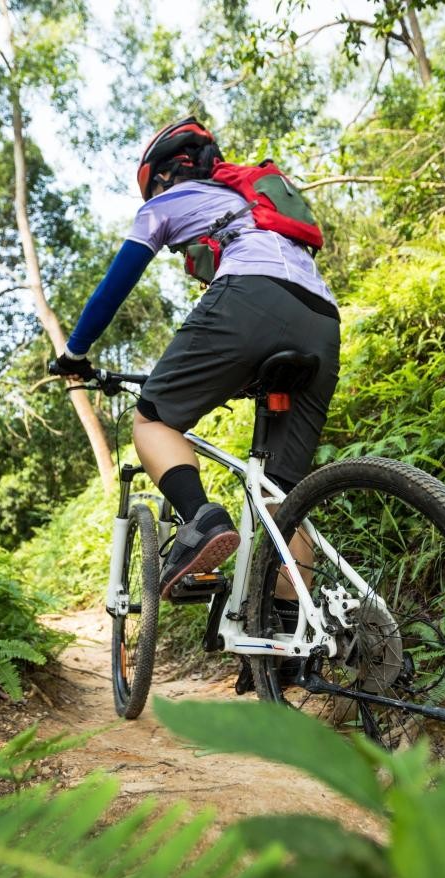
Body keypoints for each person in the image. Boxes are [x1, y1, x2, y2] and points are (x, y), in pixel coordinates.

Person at [52, 116, 340, 601]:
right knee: (279, 498)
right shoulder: (250, 202)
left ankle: (202, 521)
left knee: (153, 421)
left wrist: (74, 354)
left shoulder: (167, 202)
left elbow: (112, 290)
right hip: (324, 320)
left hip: (250, 296)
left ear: (164, 175)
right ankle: (293, 631)